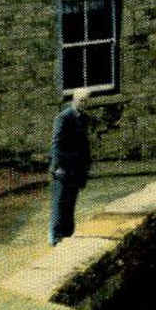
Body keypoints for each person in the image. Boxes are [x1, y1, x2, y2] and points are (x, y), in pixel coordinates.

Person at [49, 88, 93, 246]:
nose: (83, 104)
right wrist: (58, 167)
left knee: (70, 203)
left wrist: (86, 166)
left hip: (77, 168)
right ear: (74, 100)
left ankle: (68, 234)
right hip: (63, 168)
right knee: (60, 203)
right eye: (81, 100)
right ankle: (55, 237)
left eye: (86, 101)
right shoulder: (63, 118)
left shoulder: (84, 118)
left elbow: (84, 144)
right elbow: (56, 144)